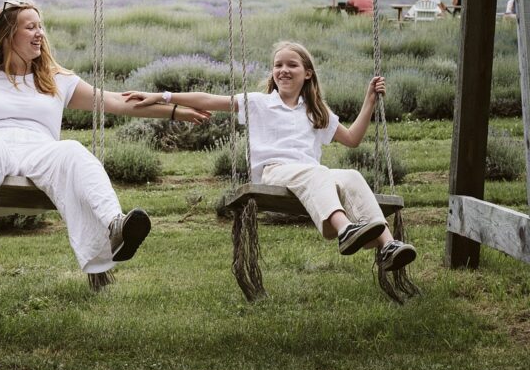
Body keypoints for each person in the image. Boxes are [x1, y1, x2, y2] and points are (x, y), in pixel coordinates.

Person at [0, 0, 210, 281]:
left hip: (41, 151)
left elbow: (118, 102)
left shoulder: (57, 79)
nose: (39, 33)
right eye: (30, 27)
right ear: (8, 35)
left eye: (40, 26)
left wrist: (176, 111)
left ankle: (116, 225)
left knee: (72, 150)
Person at [124, 41, 417, 275]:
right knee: (319, 173)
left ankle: (388, 247)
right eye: (278, 65)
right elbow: (208, 99)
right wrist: (164, 97)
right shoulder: (259, 103)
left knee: (350, 176)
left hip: (311, 177)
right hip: (274, 173)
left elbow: (352, 139)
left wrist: (369, 101)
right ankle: (344, 231)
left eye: (292, 65)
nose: (283, 70)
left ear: (308, 73)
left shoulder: (316, 111)